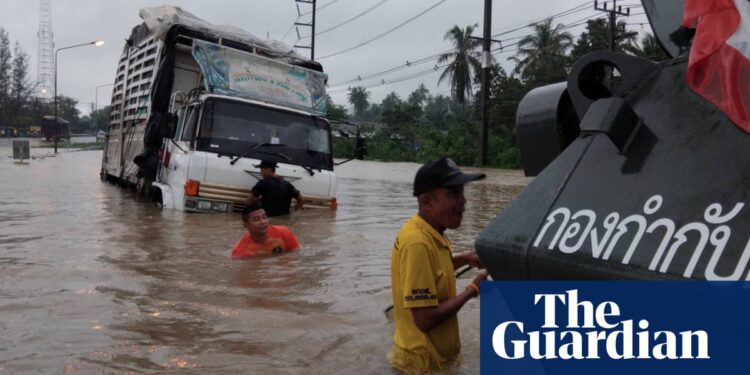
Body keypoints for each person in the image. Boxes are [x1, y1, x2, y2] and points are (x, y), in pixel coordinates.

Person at [388, 156, 489, 374]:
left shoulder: (429, 233)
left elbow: (432, 271)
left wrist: (465, 258)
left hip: (434, 360)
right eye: (454, 193)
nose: (463, 201)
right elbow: (425, 319)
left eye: (462, 192)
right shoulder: (417, 243)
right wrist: (472, 290)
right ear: (426, 201)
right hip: (422, 365)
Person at [232, 203, 300, 258]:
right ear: (245, 225)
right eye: (256, 219)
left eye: (264, 217)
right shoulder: (240, 252)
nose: (263, 222)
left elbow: (296, 254)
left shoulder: (284, 232)